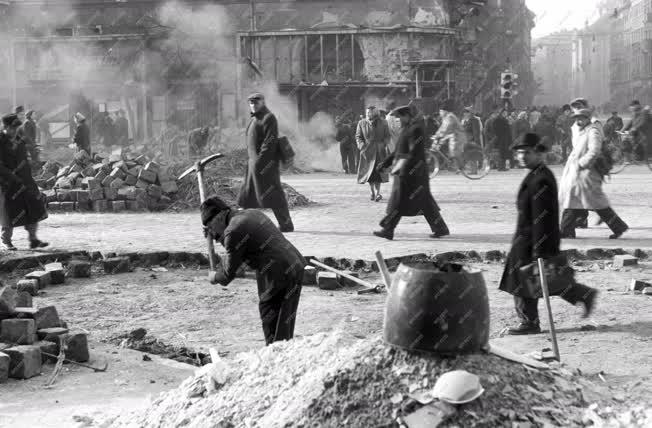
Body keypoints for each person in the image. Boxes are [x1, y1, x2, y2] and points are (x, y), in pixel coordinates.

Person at [499, 132, 597, 335]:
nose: (521, 157)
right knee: (541, 279)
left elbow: (543, 218)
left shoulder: (541, 179)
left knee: (524, 280)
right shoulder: (537, 174)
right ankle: (583, 294)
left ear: (538, 153)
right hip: (529, 239)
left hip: (533, 240)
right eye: (519, 153)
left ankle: (529, 323)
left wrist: (540, 250)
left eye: (527, 152)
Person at [202, 196, 305, 345]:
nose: (211, 230)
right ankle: (283, 356)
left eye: (210, 226)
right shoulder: (250, 213)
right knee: (284, 323)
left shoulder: (233, 231)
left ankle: (275, 357)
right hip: (294, 265)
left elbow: (227, 274)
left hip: (277, 274)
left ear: (220, 216)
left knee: (272, 320)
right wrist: (216, 235)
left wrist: (214, 277)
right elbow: (237, 246)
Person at [373, 105, 450, 241]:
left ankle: (388, 229)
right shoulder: (406, 130)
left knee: (399, 200)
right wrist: (384, 164)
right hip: (407, 171)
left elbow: (414, 152)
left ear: (407, 116)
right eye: (396, 118)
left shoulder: (416, 130)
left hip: (413, 173)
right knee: (424, 202)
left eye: (399, 118)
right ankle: (440, 228)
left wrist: (404, 168)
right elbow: (397, 151)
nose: (397, 121)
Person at [559, 108, 629, 239]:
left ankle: (566, 230)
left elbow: (595, 151)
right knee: (578, 201)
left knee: (589, 202)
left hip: (587, 174)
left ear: (587, 119)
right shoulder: (583, 131)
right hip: (580, 175)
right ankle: (567, 230)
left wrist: (581, 164)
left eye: (581, 118)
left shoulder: (593, 132)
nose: (578, 121)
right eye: (577, 118)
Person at [237, 92, 294, 232]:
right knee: (247, 196)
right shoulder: (254, 119)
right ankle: (244, 225)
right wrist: (253, 163)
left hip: (265, 166)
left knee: (275, 196)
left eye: (256, 102)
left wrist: (260, 163)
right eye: (251, 103)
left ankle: (286, 225)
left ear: (263, 102)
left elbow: (269, 143)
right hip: (253, 165)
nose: (253, 105)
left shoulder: (269, 118)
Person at [0, 113, 49, 251]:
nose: (14, 131)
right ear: (5, 127)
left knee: (33, 207)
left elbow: (26, 157)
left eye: (16, 128)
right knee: (9, 212)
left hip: (26, 180)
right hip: (7, 183)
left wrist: (33, 164)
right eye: (12, 128)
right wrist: (11, 176)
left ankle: (33, 239)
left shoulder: (20, 140)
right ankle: (6, 241)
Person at [356, 106, 390, 201]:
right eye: (367, 112)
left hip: (379, 151)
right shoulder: (361, 123)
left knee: (378, 173)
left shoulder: (384, 122)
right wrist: (362, 146)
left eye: (370, 112)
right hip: (367, 151)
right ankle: (372, 192)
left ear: (375, 113)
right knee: (369, 174)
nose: (367, 114)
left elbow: (387, 136)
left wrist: (383, 144)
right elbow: (358, 136)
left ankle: (378, 193)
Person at [433, 99, 466, 165]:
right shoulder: (445, 118)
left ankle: (461, 166)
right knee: (447, 148)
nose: (440, 113)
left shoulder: (450, 117)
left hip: (458, 136)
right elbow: (441, 128)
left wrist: (440, 135)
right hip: (452, 135)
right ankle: (455, 165)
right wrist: (436, 135)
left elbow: (447, 128)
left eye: (441, 111)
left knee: (454, 151)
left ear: (445, 111)